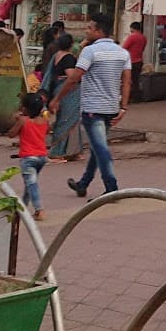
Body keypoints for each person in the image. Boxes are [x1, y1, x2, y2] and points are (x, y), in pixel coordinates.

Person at [53, 12, 131, 198]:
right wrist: (123, 107)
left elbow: (74, 78)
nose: (86, 30)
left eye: (89, 27)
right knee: (98, 147)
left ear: (98, 31)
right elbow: (127, 82)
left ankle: (111, 187)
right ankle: (83, 183)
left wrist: (57, 98)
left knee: (101, 149)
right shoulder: (122, 53)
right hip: (111, 108)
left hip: (92, 109)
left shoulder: (90, 52)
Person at [41, 33, 84, 161]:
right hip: (68, 92)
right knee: (67, 121)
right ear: (70, 45)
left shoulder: (56, 56)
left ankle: (73, 151)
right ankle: (58, 151)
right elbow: (71, 77)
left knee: (69, 121)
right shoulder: (69, 58)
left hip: (60, 90)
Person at [7, 93, 50, 220]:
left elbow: (11, 134)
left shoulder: (23, 121)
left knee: (31, 184)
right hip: (41, 157)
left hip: (28, 158)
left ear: (25, 109)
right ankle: (23, 208)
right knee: (29, 184)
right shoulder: (44, 120)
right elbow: (46, 128)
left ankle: (39, 210)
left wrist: (17, 120)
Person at [122, 21, 147, 89]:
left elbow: (123, 48)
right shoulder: (143, 38)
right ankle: (137, 97)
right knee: (136, 81)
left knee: (129, 80)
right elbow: (143, 49)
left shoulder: (132, 37)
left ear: (132, 28)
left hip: (131, 62)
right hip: (139, 61)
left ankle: (131, 96)